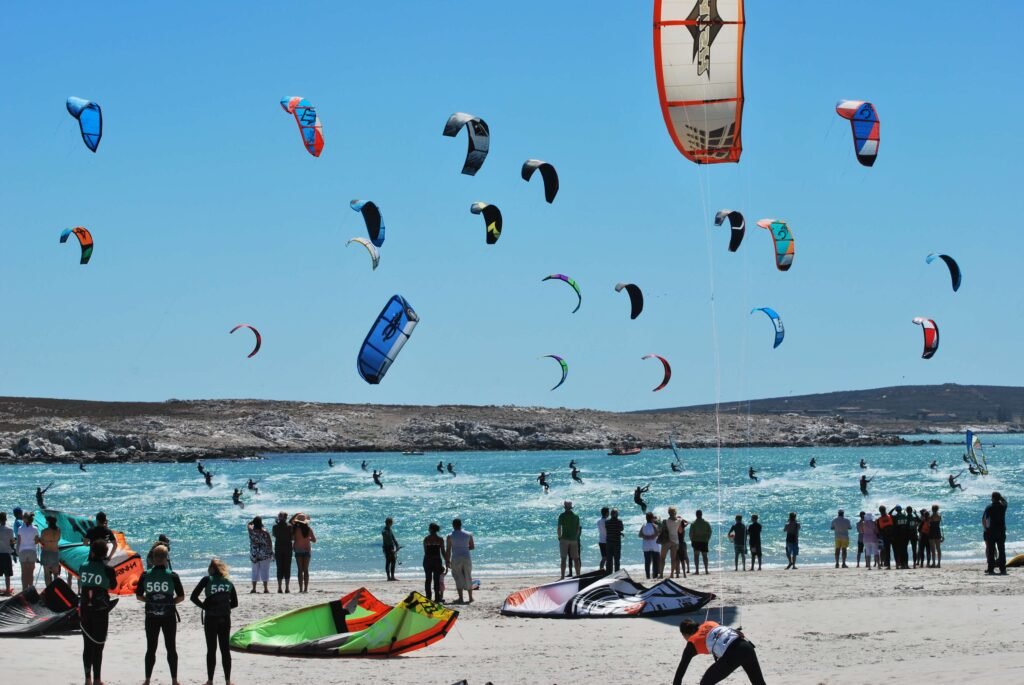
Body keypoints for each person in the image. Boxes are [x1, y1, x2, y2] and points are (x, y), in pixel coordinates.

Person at [137, 544, 184, 685]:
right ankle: (174, 680)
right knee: (171, 648)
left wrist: (150, 601)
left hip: (151, 616)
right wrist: (170, 603)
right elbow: (181, 596)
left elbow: (139, 596)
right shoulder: (173, 575)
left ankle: (147, 679)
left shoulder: (145, 575)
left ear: (152, 558)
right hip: (168, 615)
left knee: (151, 648)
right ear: (166, 559)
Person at [674, 619, 767, 685]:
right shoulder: (710, 623)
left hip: (734, 653)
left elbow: (681, 670)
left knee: (705, 682)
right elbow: (724, 630)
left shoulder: (692, 642)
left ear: (685, 634)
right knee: (758, 682)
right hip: (747, 646)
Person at [190, 558, 238, 685]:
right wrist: (224, 608)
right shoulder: (228, 582)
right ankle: (228, 681)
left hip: (211, 618)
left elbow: (193, 597)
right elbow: (235, 603)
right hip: (225, 618)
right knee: (225, 650)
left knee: (211, 649)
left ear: (211, 569)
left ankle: (210, 681)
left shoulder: (207, 580)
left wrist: (205, 607)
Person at [79, 538, 118, 685]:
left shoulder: (83, 566)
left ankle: (87, 679)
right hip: (100, 610)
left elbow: (83, 582)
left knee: (87, 645)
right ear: (105, 553)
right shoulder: (108, 569)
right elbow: (113, 586)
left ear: (92, 551)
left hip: (84, 609)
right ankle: (97, 679)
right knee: (98, 645)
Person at [446, 519, 475, 604]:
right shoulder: (468, 534)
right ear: (461, 525)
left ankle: (461, 598)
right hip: (466, 556)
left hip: (456, 557)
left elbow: (448, 549)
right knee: (468, 576)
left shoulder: (450, 536)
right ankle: (470, 597)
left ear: (453, 525)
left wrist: (447, 561)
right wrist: (464, 548)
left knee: (458, 577)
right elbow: (472, 547)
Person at [422, 522, 449, 603]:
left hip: (427, 560)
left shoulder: (426, 539)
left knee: (428, 579)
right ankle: (437, 598)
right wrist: (447, 561)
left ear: (430, 529)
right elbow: (443, 552)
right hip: (437, 560)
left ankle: (428, 597)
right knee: (436, 580)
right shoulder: (440, 539)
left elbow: (425, 551)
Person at [983, 491, 1008, 575]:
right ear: (999, 498)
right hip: (1001, 530)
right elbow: (1005, 502)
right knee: (1001, 550)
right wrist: (1001, 498)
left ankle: (991, 568)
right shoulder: (1003, 506)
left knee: (991, 550)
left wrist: (986, 529)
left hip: (991, 531)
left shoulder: (989, 507)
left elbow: (984, 519)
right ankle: (1002, 569)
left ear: (993, 498)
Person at [291, 513, 316, 592]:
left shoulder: (295, 529)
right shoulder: (308, 529)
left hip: (298, 550)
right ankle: (305, 589)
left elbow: (292, 538)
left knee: (300, 570)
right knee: (306, 570)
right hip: (307, 550)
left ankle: (300, 589)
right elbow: (314, 540)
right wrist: (308, 539)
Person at [247, 516, 273, 594]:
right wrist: (271, 552)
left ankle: (254, 588)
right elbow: (269, 542)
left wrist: (251, 522)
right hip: (264, 553)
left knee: (254, 571)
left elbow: (248, 524)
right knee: (265, 570)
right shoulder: (265, 532)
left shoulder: (251, 531)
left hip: (254, 553)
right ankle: (265, 589)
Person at [557, 500, 581, 579]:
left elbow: (559, 528)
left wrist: (559, 537)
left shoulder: (562, 516)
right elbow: (578, 529)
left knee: (563, 559)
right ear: (571, 507)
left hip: (564, 539)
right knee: (576, 559)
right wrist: (576, 537)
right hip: (573, 540)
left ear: (564, 507)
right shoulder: (576, 516)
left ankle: (562, 576)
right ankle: (578, 575)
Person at [16, 511, 38, 590]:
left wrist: (17, 551)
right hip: (32, 551)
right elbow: (36, 541)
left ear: (25, 519)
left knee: (24, 572)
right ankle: (30, 589)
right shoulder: (35, 529)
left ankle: (24, 589)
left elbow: (19, 541)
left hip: (23, 551)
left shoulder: (20, 529)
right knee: (30, 572)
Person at [272, 511, 293, 593]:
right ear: (286, 518)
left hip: (278, 548)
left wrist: (277, 522)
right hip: (287, 548)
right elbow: (292, 537)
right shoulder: (289, 526)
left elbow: (274, 535)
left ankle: (279, 588)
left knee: (279, 568)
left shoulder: (275, 527)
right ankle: (287, 588)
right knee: (287, 568)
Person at [40, 515, 62, 585]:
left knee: (47, 574)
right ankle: (55, 589)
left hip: (46, 552)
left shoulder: (44, 531)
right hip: (55, 552)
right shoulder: (58, 530)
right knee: (56, 573)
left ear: (48, 522)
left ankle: (48, 590)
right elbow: (58, 540)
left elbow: (42, 542)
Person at [661, 507, 682, 577]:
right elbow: (680, 531)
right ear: (675, 513)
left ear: (668, 513)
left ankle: (661, 574)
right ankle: (672, 574)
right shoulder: (679, 521)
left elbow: (661, 530)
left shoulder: (665, 521)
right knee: (673, 559)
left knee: (662, 558)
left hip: (667, 541)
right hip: (675, 541)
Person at [689, 510, 711, 575]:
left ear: (696, 515)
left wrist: (692, 540)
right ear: (701, 514)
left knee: (696, 556)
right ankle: (706, 570)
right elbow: (710, 532)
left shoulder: (693, 523)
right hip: (704, 541)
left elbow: (691, 534)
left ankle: (697, 571)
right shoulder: (706, 523)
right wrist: (708, 539)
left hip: (696, 541)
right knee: (705, 556)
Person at [639, 511, 660, 579]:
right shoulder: (654, 525)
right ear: (651, 518)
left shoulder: (644, 525)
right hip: (654, 546)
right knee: (655, 562)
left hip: (646, 546)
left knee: (647, 562)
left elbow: (640, 534)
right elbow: (657, 533)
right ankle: (655, 575)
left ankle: (648, 576)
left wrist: (646, 537)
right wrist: (651, 537)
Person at [382, 517, 400, 581]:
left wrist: (397, 545)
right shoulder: (384, 530)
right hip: (387, 548)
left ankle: (392, 576)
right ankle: (388, 577)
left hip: (391, 547)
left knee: (393, 561)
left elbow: (393, 538)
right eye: (391, 522)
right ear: (388, 523)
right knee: (388, 562)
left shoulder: (390, 530)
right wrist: (390, 549)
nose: (392, 524)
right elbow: (385, 537)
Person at [0, 512, 13, 595]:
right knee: (7, 574)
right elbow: (11, 542)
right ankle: (8, 590)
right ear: (6, 519)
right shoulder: (9, 530)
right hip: (7, 553)